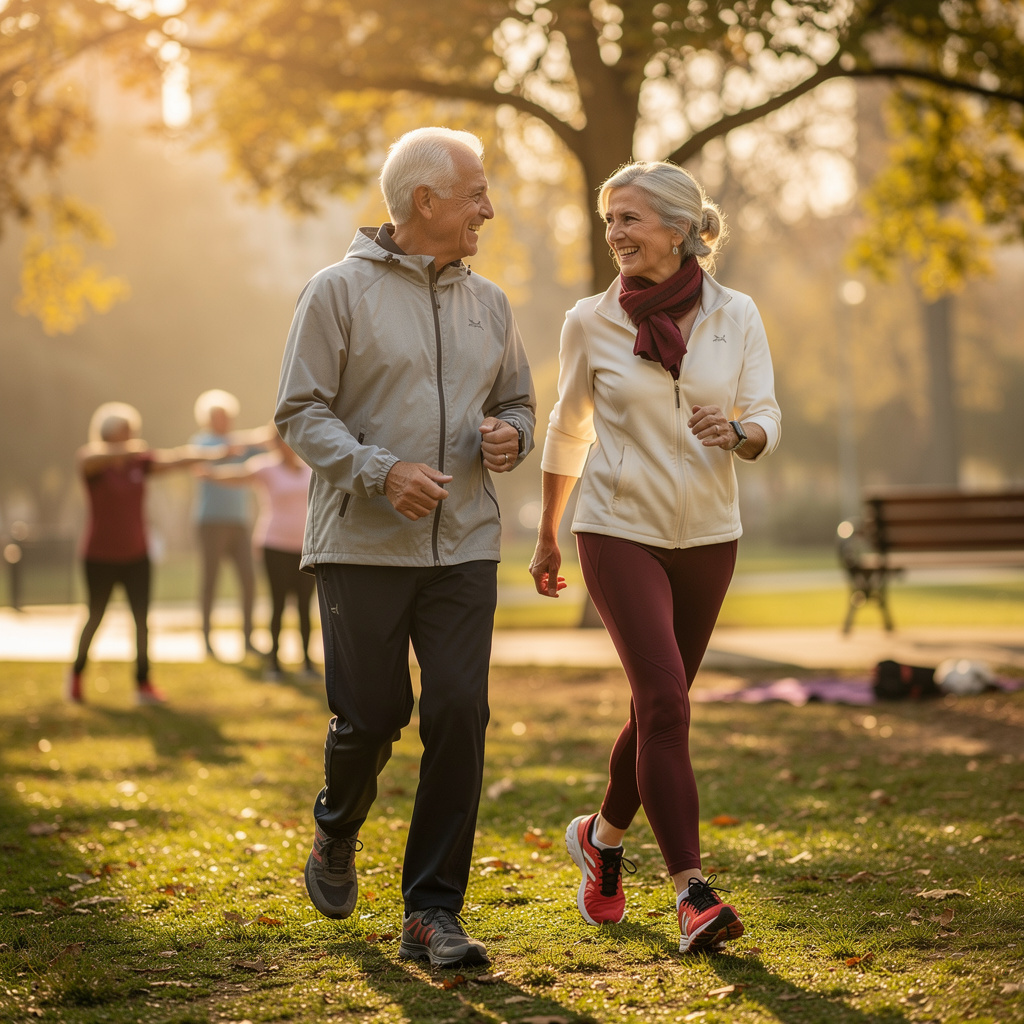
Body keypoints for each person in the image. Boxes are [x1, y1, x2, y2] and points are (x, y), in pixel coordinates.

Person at [276, 127, 535, 968]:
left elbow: (522, 403)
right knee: (372, 717)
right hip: (361, 546)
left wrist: (510, 436)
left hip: (463, 545)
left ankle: (432, 910)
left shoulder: (489, 302)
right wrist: (380, 472)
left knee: (459, 713)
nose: (487, 209)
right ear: (426, 202)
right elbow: (300, 412)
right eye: (476, 193)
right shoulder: (336, 293)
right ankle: (336, 829)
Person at [529, 161, 781, 954]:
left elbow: (766, 410)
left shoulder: (736, 315)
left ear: (679, 228)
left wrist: (739, 434)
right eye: (609, 221)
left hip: (710, 534)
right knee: (668, 704)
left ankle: (602, 838)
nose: (616, 234)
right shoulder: (589, 321)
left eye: (630, 219)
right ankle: (692, 893)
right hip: (615, 526)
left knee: (656, 709)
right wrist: (547, 530)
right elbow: (568, 428)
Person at [69, 402, 226, 705]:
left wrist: (216, 453)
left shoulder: (138, 463)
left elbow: (178, 458)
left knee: (141, 620)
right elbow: (92, 457)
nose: (131, 437)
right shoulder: (92, 463)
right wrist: (130, 449)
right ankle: (76, 677)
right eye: (124, 432)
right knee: (95, 616)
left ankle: (143, 684)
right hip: (99, 555)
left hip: (137, 555)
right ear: (109, 433)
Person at [196, 426, 318, 681]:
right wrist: (209, 474)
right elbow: (238, 475)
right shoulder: (265, 467)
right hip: (274, 545)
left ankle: (307, 663)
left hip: (306, 548)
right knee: (278, 603)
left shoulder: (310, 466)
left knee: (305, 607)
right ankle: (274, 663)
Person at [191, 389, 273, 659]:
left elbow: (266, 439)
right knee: (210, 581)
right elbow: (206, 461)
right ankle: (206, 639)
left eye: (226, 416)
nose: (222, 421)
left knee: (249, 580)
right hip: (211, 521)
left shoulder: (239, 443)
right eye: (217, 416)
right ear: (207, 419)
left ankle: (248, 640)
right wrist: (235, 446)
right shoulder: (200, 443)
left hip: (239, 521)